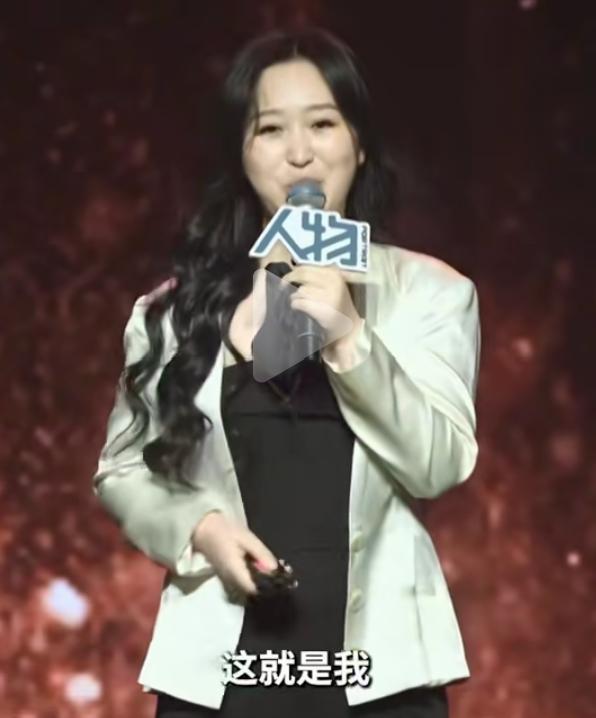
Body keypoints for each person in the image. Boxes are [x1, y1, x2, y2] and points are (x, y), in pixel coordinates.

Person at [92, 27, 480, 718]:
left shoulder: (432, 293)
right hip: (225, 674)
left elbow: (438, 464)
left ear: (359, 143)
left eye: (323, 124)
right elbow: (122, 471)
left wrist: (350, 335)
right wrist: (201, 529)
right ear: (242, 154)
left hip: (377, 677)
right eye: (271, 129)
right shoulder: (174, 311)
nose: (300, 152)